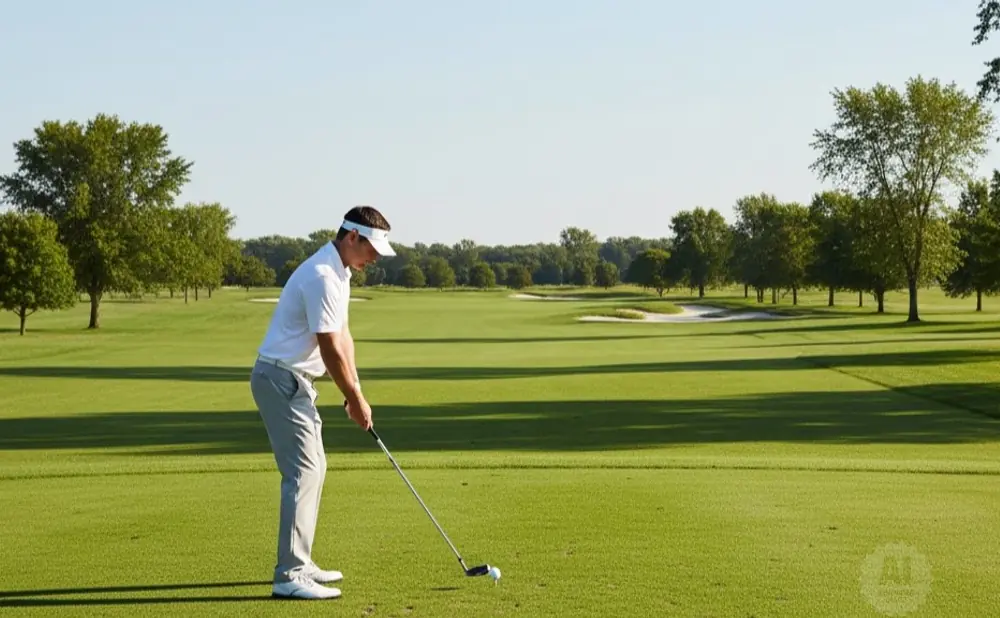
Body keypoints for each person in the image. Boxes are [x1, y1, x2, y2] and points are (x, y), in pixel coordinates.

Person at [249, 205, 395, 600]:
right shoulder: (323, 276)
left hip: (292, 380)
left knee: (314, 468)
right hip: (280, 378)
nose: (375, 258)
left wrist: (356, 393)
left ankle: (302, 560)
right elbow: (329, 348)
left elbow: (344, 337)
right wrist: (352, 397)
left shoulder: (339, 272)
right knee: (303, 472)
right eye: (372, 249)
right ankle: (290, 573)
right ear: (352, 237)